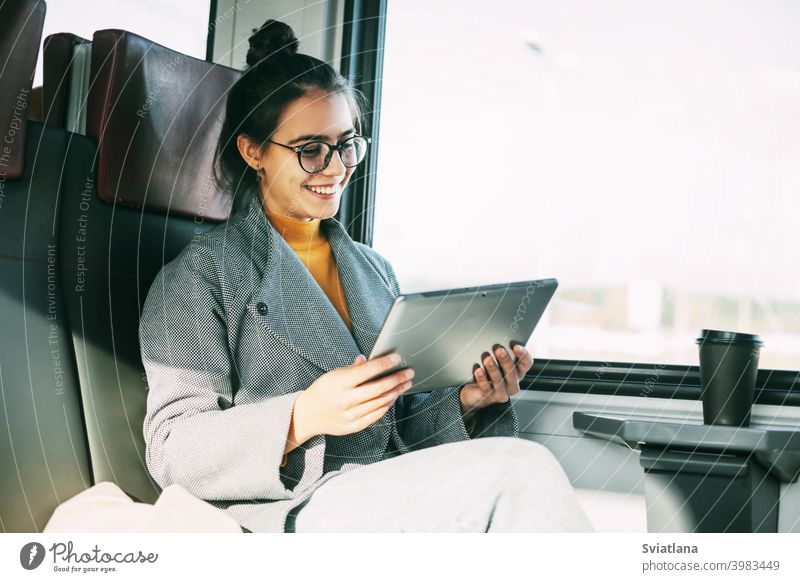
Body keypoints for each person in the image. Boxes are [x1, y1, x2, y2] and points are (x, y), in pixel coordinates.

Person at [139, 19, 593, 533]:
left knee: (519, 473)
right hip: (297, 507)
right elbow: (172, 448)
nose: (336, 168)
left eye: (347, 144)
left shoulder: (375, 270)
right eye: (311, 149)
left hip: (386, 491)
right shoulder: (201, 277)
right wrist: (301, 417)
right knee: (520, 472)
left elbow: (395, 432)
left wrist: (467, 402)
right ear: (254, 152)